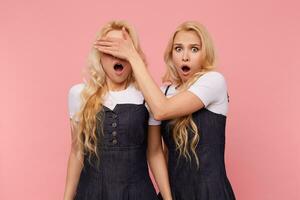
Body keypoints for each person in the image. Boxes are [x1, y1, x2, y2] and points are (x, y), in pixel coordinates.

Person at [95, 21, 236, 200]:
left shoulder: (214, 81)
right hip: (174, 194)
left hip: (210, 193)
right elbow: (157, 151)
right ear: (171, 55)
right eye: (178, 49)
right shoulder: (164, 93)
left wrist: (133, 56)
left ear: (205, 53)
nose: (185, 57)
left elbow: (162, 110)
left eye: (194, 49)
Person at [63, 20, 172, 200]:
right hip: (91, 193)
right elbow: (76, 151)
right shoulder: (79, 95)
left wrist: (168, 198)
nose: (117, 56)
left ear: (133, 55)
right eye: (110, 49)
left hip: (138, 193)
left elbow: (154, 152)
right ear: (99, 55)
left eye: (123, 49)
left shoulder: (149, 96)